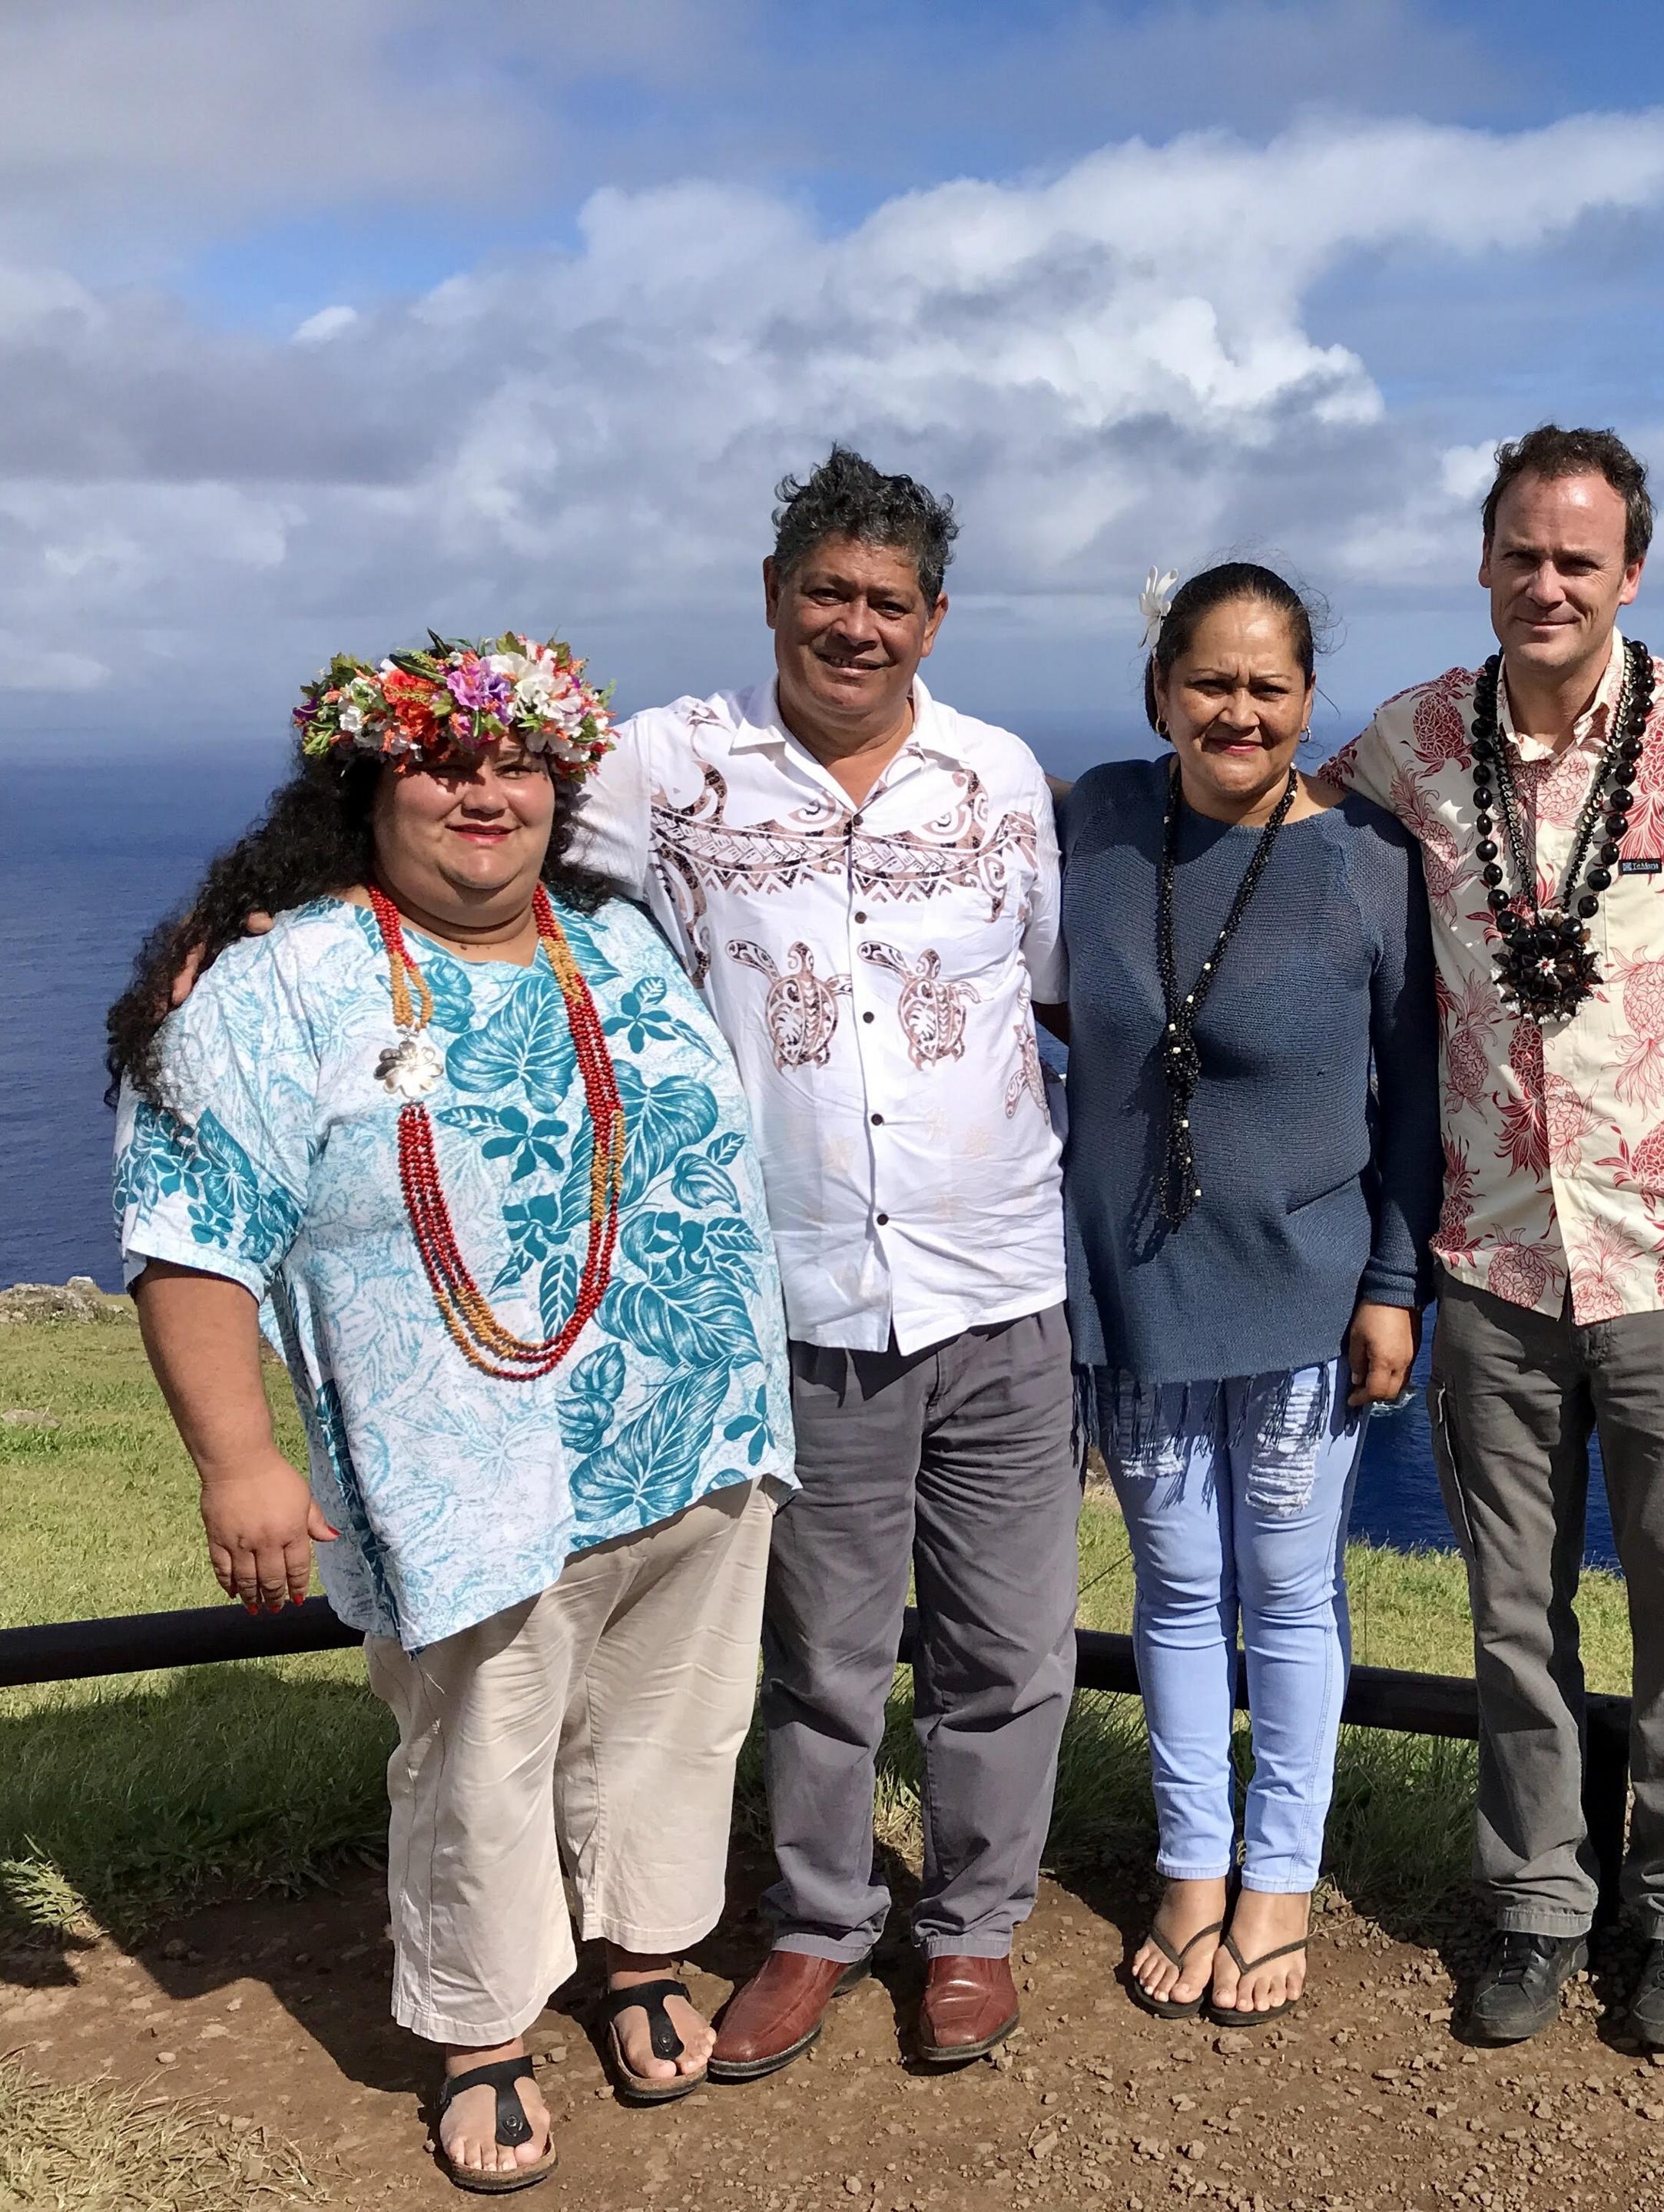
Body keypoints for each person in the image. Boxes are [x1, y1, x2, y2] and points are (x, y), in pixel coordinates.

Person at [106, 637, 793, 2194]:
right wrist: (241, 1464)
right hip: (460, 1467)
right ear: (368, 781)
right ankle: (483, 2030)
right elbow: (191, 1230)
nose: (486, 789)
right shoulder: (284, 983)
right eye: (443, 759)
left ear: (561, 784)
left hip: (693, 1429)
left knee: (672, 1724)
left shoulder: (617, 939)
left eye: (518, 763)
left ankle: (637, 1957)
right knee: (481, 1747)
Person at [574, 449, 1080, 2077]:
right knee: (823, 1654)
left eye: (888, 601)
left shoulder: (1001, 777)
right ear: (774, 598)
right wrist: (255, 921)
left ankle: (976, 1929)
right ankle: (815, 1921)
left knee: (1009, 1644)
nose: (854, 626)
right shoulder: (663, 767)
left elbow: (1059, 986)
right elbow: (486, 864)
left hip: (1000, 1283)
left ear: (936, 618)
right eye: (827, 594)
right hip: (792, 1295)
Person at [1324, 426, 1664, 2051]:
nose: (1550, 583)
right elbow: (1277, 832)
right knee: (1513, 1611)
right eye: (1524, 553)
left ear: (1630, 572)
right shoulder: (1414, 738)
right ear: (1486, 560)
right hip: (1491, 1256)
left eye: (1581, 559)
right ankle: (1536, 1896)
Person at [1060, 561, 1438, 2027]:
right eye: (1208, 681)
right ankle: (1192, 1864)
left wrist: (1397, 1283)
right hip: (1138, 1283)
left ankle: (1280, 1875)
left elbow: (1412, 1100)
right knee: (1173, 1584)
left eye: (1268, 685)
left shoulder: (1365, 859)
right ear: (1159, 689)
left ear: (1305, 700)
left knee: (1287, 1593)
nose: (1237, 709)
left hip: (1306, 1281)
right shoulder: (1094, 818)